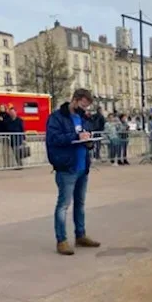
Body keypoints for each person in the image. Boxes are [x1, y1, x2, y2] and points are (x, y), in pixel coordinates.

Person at [46, 89, 101, 255]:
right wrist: (76, 136)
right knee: (63, 204)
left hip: (82, 167)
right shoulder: (57, 117)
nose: (84, 109)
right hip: (66, 167)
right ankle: (61, 240)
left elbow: (85, 135)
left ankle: (80, 235)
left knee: (80, 204)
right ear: (75, 100)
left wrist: (89, 140)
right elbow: (54, 139)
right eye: (83, 105)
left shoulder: (82, 118)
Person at [3, 104, 25, 168]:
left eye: (13, 112)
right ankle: (19, 164)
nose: (12, 113)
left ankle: (20, 164)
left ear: (15, 112)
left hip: (18, 138)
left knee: (17, 151)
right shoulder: (8, 121)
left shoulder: (19, 120)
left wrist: (24, 139)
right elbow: (6, 129)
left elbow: (22, 129)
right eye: (11, 112)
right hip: (12, 139)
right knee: (15, 152)